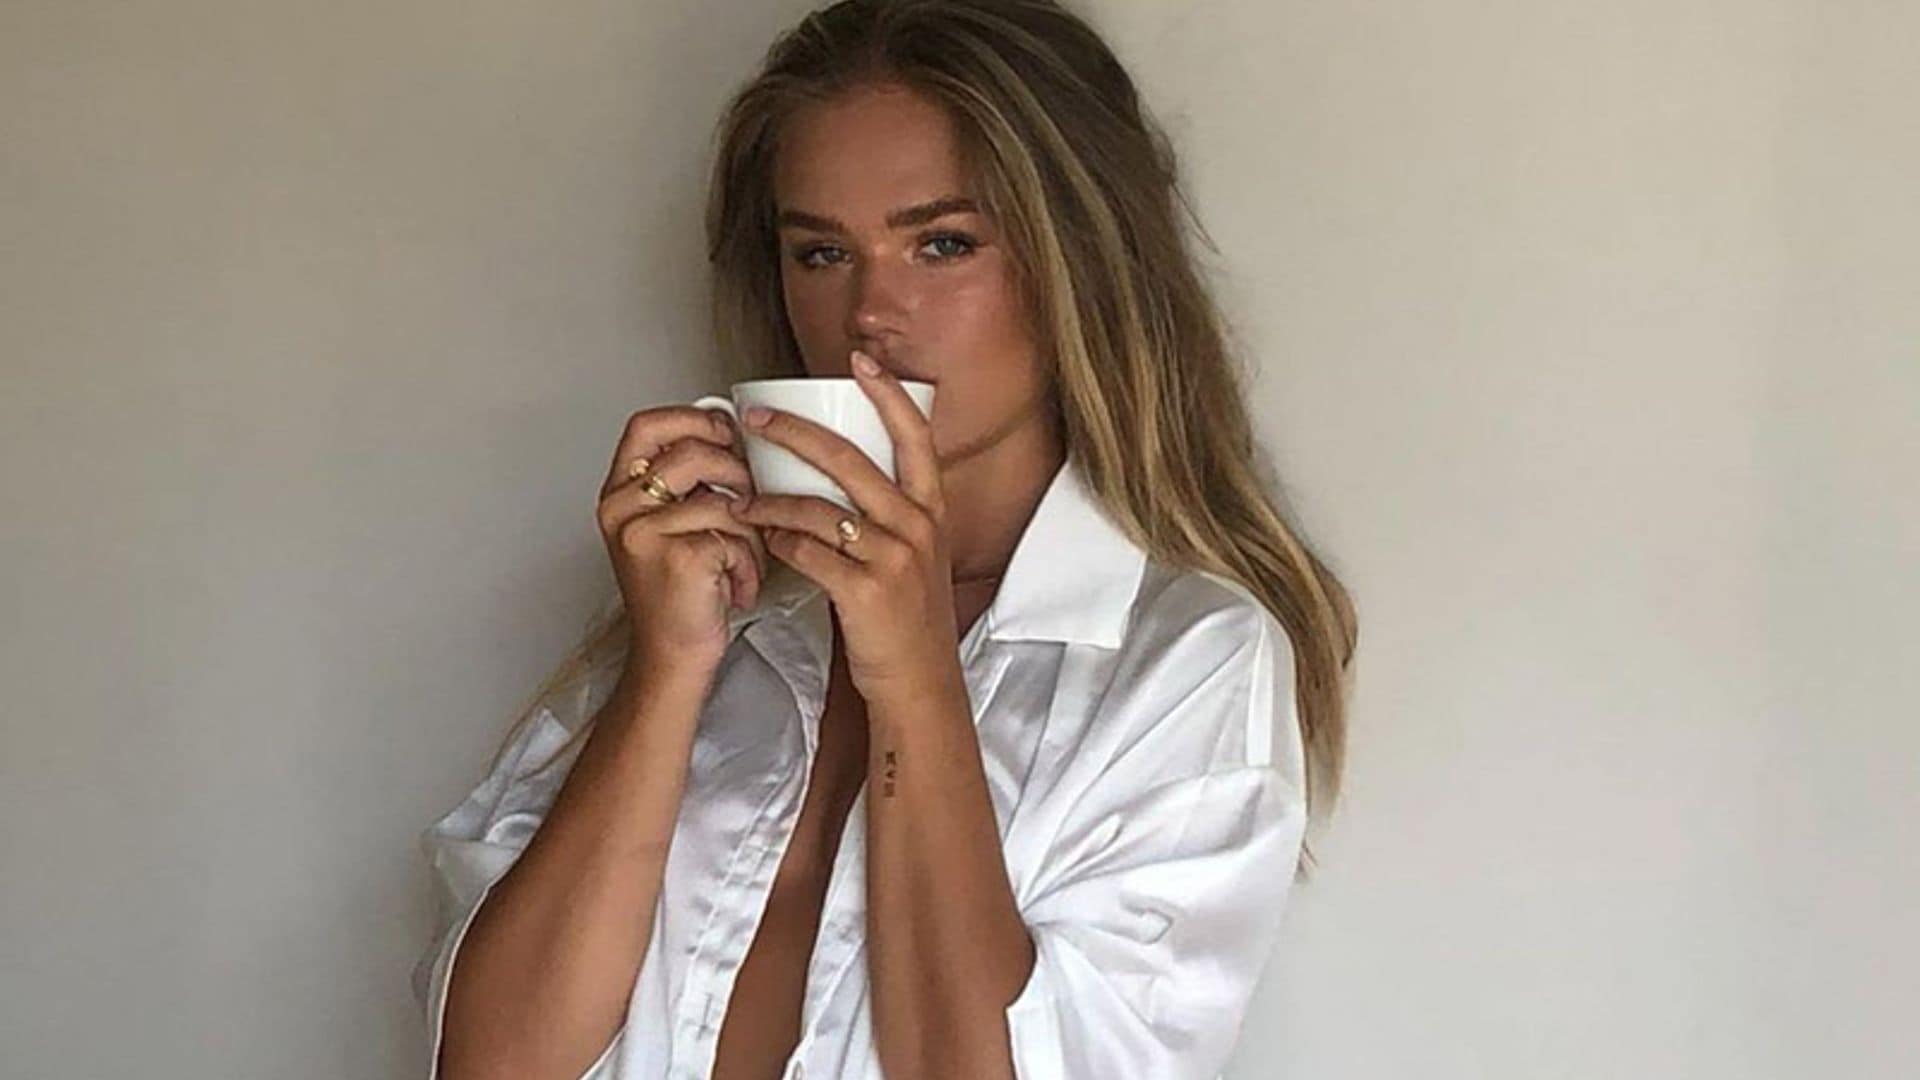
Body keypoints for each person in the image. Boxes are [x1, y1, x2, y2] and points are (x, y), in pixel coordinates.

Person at [412, 1, 1358, 1077]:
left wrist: (916, 681)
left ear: (1079, 263)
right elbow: (488, 1067)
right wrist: (667, 668)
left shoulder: (1187, 660)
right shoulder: (714, 612)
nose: (870, 311)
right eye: (821, 253)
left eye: (942, 244)